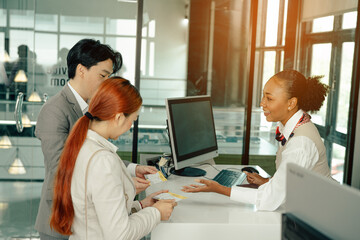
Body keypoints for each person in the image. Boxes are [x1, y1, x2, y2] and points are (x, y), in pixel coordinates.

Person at [35, 39, 156, 239]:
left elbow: (97, 157)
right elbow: (62, 168)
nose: (107, 82)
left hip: (87, 218)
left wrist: (130, 170)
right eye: (103, 75)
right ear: (81, 70)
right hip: (62, 217)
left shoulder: (91, 109)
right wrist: (117, 185)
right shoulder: (54, 110)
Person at [182, 69, 334, 211]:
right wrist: (267, 182)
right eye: (263, 96)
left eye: (269, 98)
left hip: (316, 217)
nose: (262, 103)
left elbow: (270, 200)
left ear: (291, 103)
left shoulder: (300, 143)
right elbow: (294, 182)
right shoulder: (294, 126)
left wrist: (220, 189)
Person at [50, 77, 176, 239]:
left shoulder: (83, 145)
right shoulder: (103, 161)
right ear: (118, 118)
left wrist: (140, 206)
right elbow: (120, 235)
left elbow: (96, 213)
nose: (131, 127)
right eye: (133, 120)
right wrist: (156, 213)